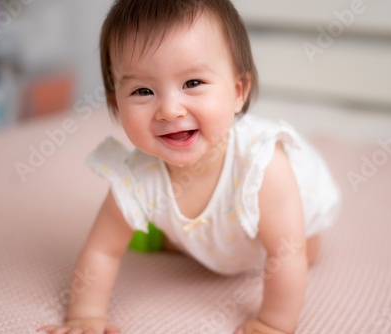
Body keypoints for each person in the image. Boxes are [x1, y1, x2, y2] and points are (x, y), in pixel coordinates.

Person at [37, 0, 341, 333]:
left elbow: (287, 256)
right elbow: (102, 252)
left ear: (238, 92)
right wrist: (86, 316)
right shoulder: (136, 178)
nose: (169, 109)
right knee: (177, 233)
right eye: (143, 90)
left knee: (303, 251)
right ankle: (181, 237)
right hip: (216, 233)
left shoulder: (263, 166)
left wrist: (274, 323)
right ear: (115, 105)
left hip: (290, 221)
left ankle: (187, 237)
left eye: (192, 83)